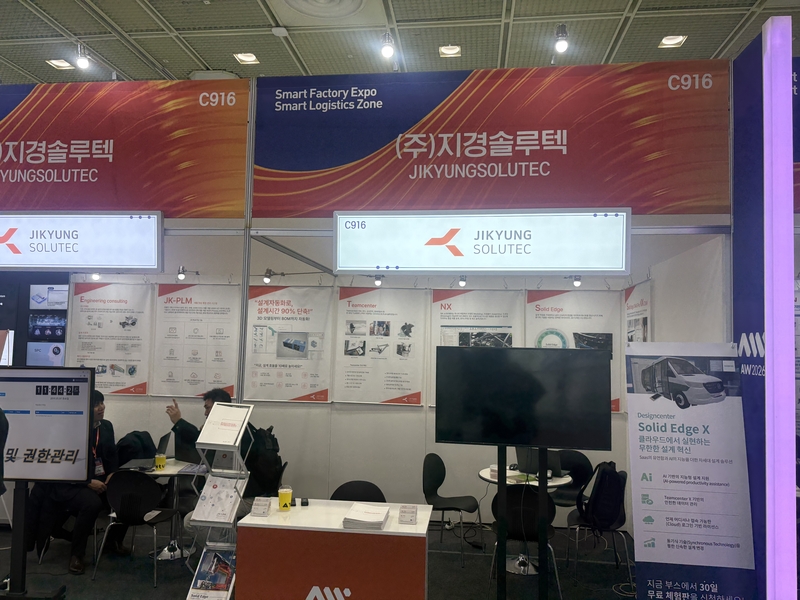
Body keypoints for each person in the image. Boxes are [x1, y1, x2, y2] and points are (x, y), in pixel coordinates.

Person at [27, 390, 129, 575]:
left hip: (99, 480)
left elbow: (112, 455)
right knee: (92, 503)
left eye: (102, 403)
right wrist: (87, 482)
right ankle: (77, 555)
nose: (101, 407)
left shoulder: (106, 427)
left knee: (126, 495)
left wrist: (113, 473)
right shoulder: (69, 430)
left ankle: (112, 541)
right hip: (70, 484)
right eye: (96, 404)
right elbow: (62, 465)